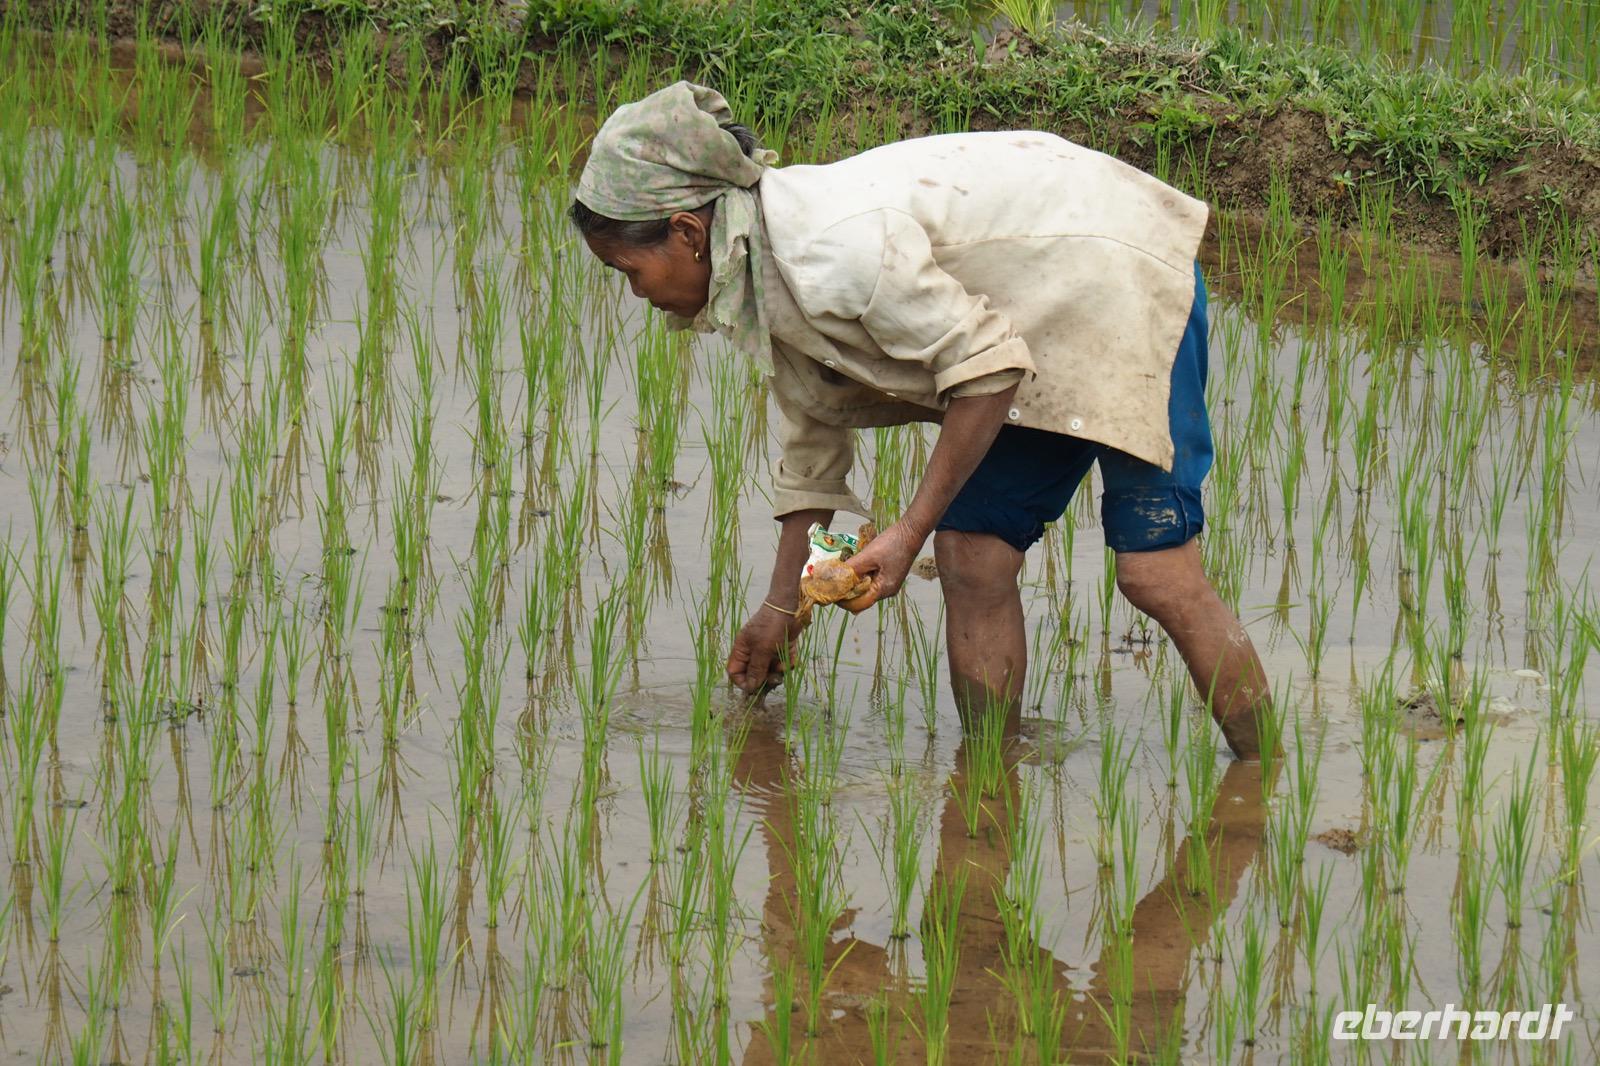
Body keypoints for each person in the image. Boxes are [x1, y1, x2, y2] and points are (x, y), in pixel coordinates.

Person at [569, 80, 1269, 760]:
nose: (635, 293)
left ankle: (1264, 783)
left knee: (1156, 574)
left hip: (1116, 275)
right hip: (1028, 316)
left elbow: (989, 371)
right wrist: (782, 611)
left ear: (688, 231)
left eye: (629, 269)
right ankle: (987, 786)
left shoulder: (831, 252)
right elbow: (817, 449)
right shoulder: (756, 267)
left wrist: (907, 532)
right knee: (972, 560)